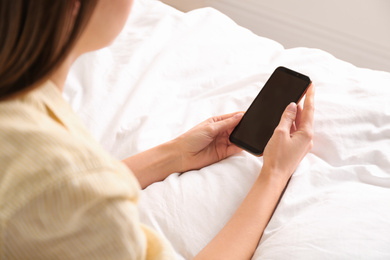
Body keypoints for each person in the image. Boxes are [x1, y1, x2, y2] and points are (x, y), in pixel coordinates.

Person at [0, 0, 315, 259]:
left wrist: (175, 155)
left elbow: (49, 198)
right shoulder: (88, 194)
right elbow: (67, 189)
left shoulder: (23, 102)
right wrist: (274, 175)